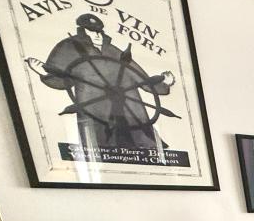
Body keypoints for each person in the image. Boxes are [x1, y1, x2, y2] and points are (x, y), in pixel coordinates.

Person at [25, 13, 176, 151]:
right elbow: (62, 79)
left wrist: (164, 84)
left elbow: (141, 79)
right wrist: (44, 73)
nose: (97, 35)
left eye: (99, 31)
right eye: (91, 31)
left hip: (130, 112)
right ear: (82, 31)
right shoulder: (68, 48)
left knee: (140, 145)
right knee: (101, 148)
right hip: (96, 113)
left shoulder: (113, 51)